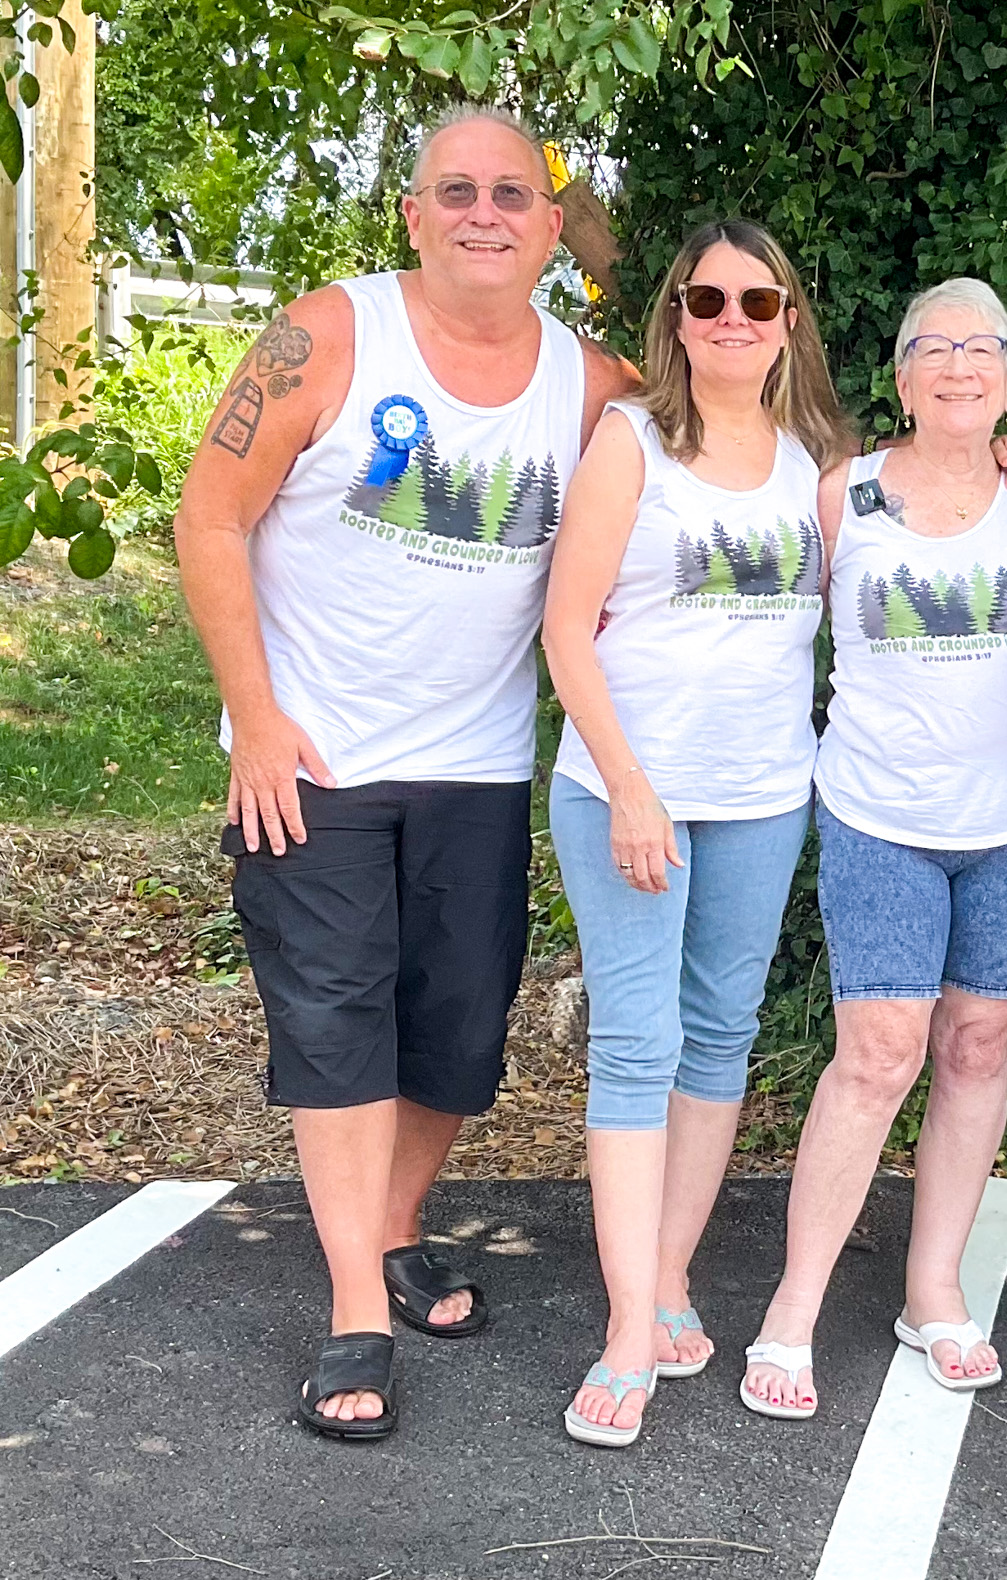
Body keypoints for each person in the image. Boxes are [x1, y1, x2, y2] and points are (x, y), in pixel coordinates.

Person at [173, 106, 637, 1440]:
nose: (485, 213)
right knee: (335, 1024)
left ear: (551, 225)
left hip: (474, 768)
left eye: (515, 194)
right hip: (310, 758)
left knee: (459, 1033)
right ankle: (352, 1311)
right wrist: (256, 717)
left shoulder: (591, 384)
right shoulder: (327, 334)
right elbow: (209, 515)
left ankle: (389, 1225)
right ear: (414, 212)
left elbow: (733, 415)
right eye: (458, 190)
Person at [541, 233, 1007, 1447]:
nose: (733, 315)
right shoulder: (633, 442)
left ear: (787, 320)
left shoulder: (817, 464)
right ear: (676, 315)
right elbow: (565, 625)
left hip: (764, 792)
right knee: (636, 1043)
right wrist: (628, 785)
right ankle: (627, 1326)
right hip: (633, 790)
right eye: (708, 297)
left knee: (719, 1034)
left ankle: (668, 1278)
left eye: (757, 298)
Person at [741, 278, 1007, 1419]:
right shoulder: (846, 492)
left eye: (983, 347)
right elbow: (767, 626)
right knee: (878, 1056)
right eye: (934, 346)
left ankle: (933, 1289)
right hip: (879, 813)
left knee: (977, 1047)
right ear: (901, 377)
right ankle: (793, 1307)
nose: (959, 364)